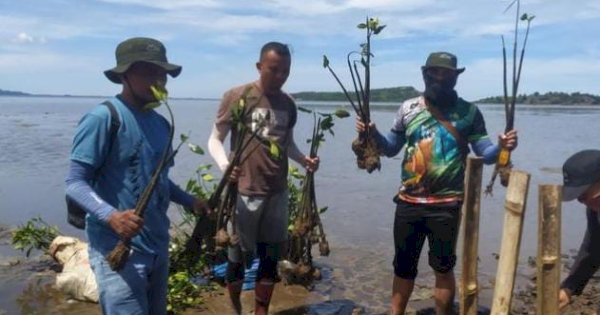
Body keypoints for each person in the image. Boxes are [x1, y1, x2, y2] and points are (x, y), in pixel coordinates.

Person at [356, 51, 518, 315]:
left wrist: (502, 146)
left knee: (443, 267)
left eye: (447, 74)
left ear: (455, 78)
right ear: (425, 74)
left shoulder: (469, 112)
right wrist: (371, 133)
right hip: (408, 203)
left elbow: (485, 154)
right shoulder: (408, 108)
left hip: (447, 205)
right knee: (403, 266)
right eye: (435, 73)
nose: (440, 78)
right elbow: (391, 148)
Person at [65, 37, 209, 315]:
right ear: (125, 75)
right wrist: (111, 216)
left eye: (163, 74)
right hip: (118, 250)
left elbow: (157, 180)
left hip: (158, 246)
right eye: (148, 72)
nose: (159, 81)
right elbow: (74, 182)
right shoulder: (104, 118)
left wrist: (190, 200)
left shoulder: (162, 124)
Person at [207, 41, 319, 315]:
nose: (280, 76)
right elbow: (214, 139)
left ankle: (261, 312)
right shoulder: (238, 96)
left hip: (277, 192)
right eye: (274, 70)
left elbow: (286, 144)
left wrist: (304, 159)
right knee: (237, 257)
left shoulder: (289, 103)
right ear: (259, 67)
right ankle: (234, 307)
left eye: (285, 71)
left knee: (270, 258)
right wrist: (225, 165)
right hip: (245, 192)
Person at [558, 150, 600, 309]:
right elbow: (593, 248)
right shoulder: (595, 208)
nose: (585, 203)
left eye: (587, 197)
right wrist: (569, 288)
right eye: (580, 199)